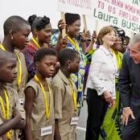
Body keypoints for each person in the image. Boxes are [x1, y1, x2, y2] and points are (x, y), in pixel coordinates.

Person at [85, 26, 117, 140]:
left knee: (99, 125)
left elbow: (112, 77)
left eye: (114, 35)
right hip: (95, 93)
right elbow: (93, 75)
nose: (113, 37)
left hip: (106, 95)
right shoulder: (98, 53)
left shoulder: (112, 54)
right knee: (93, 125)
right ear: (102, 37)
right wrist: (104, 91)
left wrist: (112, 95)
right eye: (109, 34)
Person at [24, 48, 57, 140]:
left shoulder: (49, 83)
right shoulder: (32, 87)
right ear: (37, 64)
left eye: (54, 65)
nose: (52, 68)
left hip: (48, 133)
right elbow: (27, 116)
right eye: (48, 64)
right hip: (36, 135)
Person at [0, 15, 31, 104]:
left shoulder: (21, 56)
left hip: (19, 107)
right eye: (25, 36)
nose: (27, 40)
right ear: (12, 33)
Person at [52, 49, 80, 140]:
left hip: (70, 129)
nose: (79, 65)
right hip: (62, 132)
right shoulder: (58, 83)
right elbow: (55, 116)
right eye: (77, 62)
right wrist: (57, 136)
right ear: (68, 63)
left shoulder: (70, 79)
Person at [99, 34, 123, 140]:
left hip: (119, 95)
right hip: (107, 94)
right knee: (106, 121)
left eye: (120, 38)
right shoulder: (104, 55)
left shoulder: (122, 56)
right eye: (115, 37)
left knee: (115, 121)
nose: (119, 40)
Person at [0, 50, 25, 140]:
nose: (16, 71)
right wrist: (16, 119)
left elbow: (23, 123)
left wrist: (5, 123)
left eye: (16, 67)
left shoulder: (12, 92)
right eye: (11, 68)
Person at [119, 34, 140, 140]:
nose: (131, 54)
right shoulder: (127, 57)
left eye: (135, 52)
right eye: (130, 50)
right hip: (133, 106)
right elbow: (123, 82)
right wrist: (126, 106)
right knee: (126, 136)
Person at [22, 15, 52, 80]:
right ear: (36, 31)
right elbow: (33, 72)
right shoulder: (27, 50)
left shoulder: (48, 46)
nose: (50, 34)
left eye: (50, 31)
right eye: (47, 31)